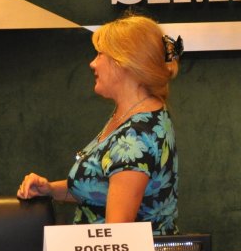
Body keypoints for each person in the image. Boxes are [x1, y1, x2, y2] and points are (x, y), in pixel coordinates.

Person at [18, 13, 182, 235]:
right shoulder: (133, 116)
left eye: (100, 54)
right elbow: (103, 187)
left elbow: (117, 237)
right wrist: (50, 190)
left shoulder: (135, 138)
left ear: (123, 62)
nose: (92, 63)